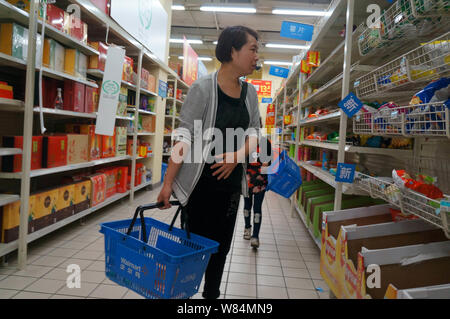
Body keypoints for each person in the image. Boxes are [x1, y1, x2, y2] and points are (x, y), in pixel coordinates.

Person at [157, 25, 261, 299]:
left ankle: (211, 296)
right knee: (193, 249)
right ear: (232, 51)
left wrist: (237, 157)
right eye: (252, 49)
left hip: (228, 192)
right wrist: (168, 183)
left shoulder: (250, 94)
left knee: (221, 248)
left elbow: (254, 133)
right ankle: (183, 295)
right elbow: (183, 137)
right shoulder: (202, 89)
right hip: (199, 188)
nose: (256, 56)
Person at [243, 135, 272, 248]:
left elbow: (268, 162)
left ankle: (255, 236)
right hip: (247, 180)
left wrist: (265, 165)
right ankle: (247, 228)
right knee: (247, 206)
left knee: (257, 208)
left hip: (260, 182)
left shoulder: (266, 143)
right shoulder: (245, 141)